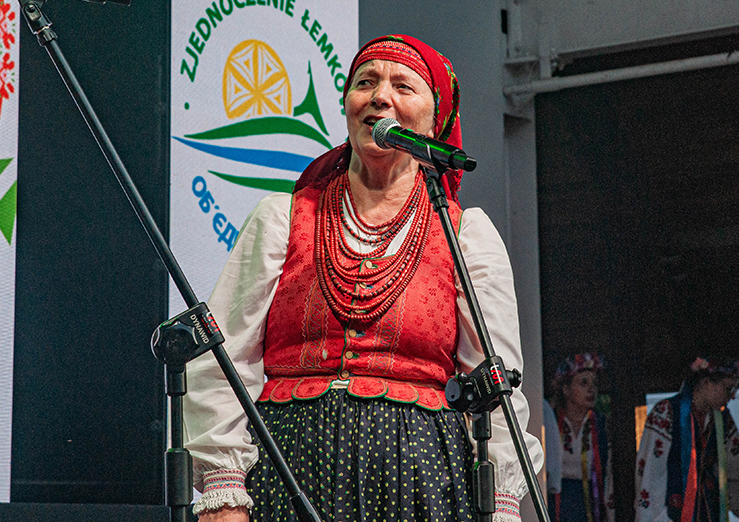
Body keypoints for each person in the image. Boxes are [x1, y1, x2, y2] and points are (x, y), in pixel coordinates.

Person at [183, 35, 543, 521]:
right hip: (290, 472)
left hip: (422, 481)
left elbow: (495, 387)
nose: (380, 96)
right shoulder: (282, 218)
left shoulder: (464, 234)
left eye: (403, 86)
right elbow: (224, 362)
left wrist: (501, 504)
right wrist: (223, 493)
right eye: (365, 83)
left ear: (434, 122)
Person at [635, 357, 739, 522]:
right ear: (706, 383)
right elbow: (650, 477)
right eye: (728, 389)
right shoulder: (667, 413)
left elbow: (732, 479)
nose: (732, 396)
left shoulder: (724, 422)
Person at [551, 353, 613, 522]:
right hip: (558, 500)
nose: (591, 389)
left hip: (591, 501)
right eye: (584, 383)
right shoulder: (552, 422)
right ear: (566, 389)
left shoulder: (601, 424)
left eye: (594, 383)